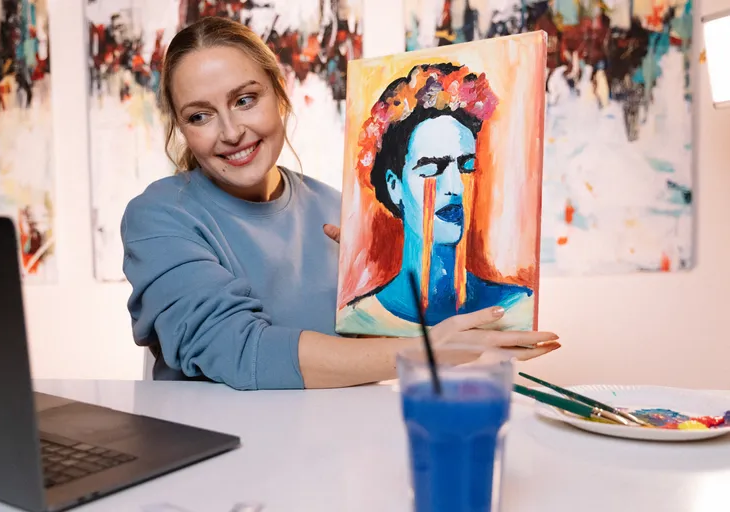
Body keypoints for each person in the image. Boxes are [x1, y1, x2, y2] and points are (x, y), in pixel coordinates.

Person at [120, 17, 560, 391]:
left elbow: (374, 347)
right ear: (181, 128)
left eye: (245, 99)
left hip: (332, 459)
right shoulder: (158, 217)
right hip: (214, 464)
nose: (231, 131)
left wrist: (469, 329)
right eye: (200, 115)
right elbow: (239, 350)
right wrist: (430, 352)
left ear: (280, 94)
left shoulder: (337, 211)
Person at [336, 63, 535, 336]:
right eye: (431, 169)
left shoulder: (518, 309)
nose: (455, 187)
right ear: (395, 187)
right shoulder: (359, 320)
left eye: (465, 167)